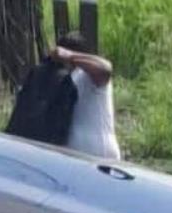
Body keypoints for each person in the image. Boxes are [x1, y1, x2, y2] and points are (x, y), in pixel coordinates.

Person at [49, 31, 121, 160]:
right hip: (73, 159)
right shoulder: (60, 79)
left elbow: (105, 69)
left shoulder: (88, 75)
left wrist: (70, 56)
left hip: (100, 156)